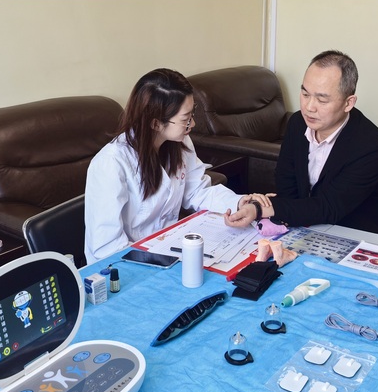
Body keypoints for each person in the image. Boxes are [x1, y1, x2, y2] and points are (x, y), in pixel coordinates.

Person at [84, 68, 265, 264]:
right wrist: (162, 261)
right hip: (126, 265)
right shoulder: (111, 163)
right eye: (185, 119)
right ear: (155, 123)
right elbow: (107, 248)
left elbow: (198, 191)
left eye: (192, 113)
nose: (192, 124)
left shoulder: (179, 142)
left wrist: (238, 203)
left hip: (168, 249)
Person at [226, 50, 378, 236]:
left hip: (356, 235)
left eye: (322, 99)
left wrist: (262, 208)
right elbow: (285, 183)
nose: (309, 107)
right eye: (305, 94)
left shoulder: (369, 144)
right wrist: (272, 207)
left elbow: (330, 207)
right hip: (306, 228)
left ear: (348, 103)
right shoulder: (297, 124)